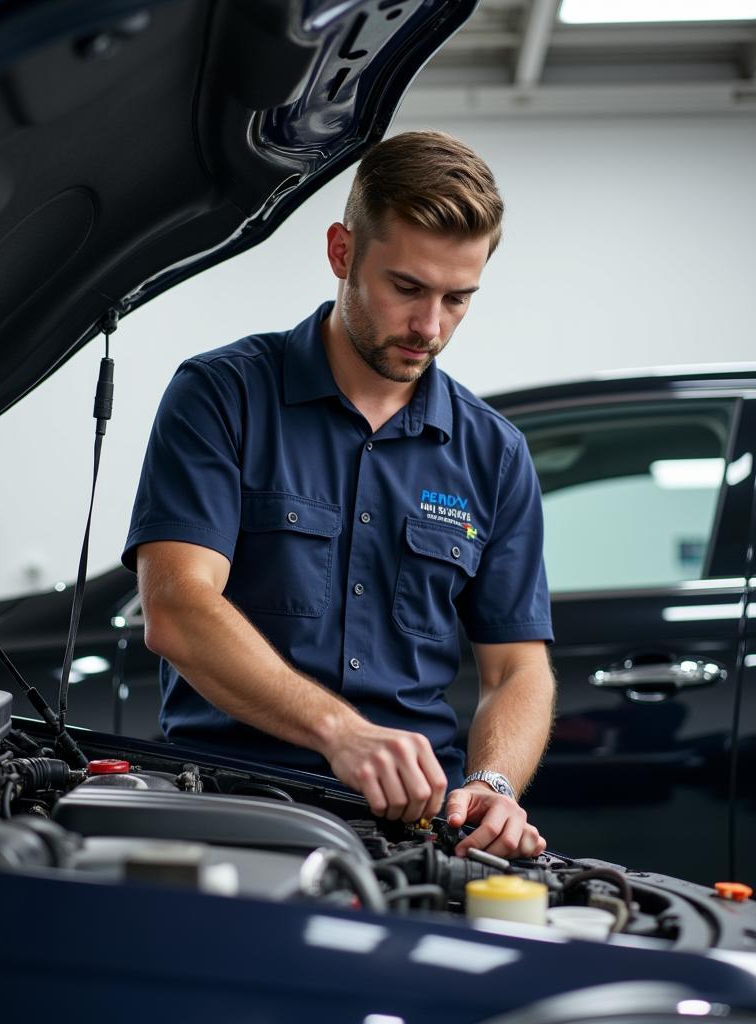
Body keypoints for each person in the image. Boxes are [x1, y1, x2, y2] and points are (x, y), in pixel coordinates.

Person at [122, 130, 555, 858]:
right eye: (408, 289)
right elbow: (176, 608)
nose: (430, 327)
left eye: (458, 298)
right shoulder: (222, 396)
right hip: (235, 806)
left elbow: (517, 669)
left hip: (415, 830)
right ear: (341, 252)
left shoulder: (495, 454)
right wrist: (341, 733)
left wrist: (494, 784)